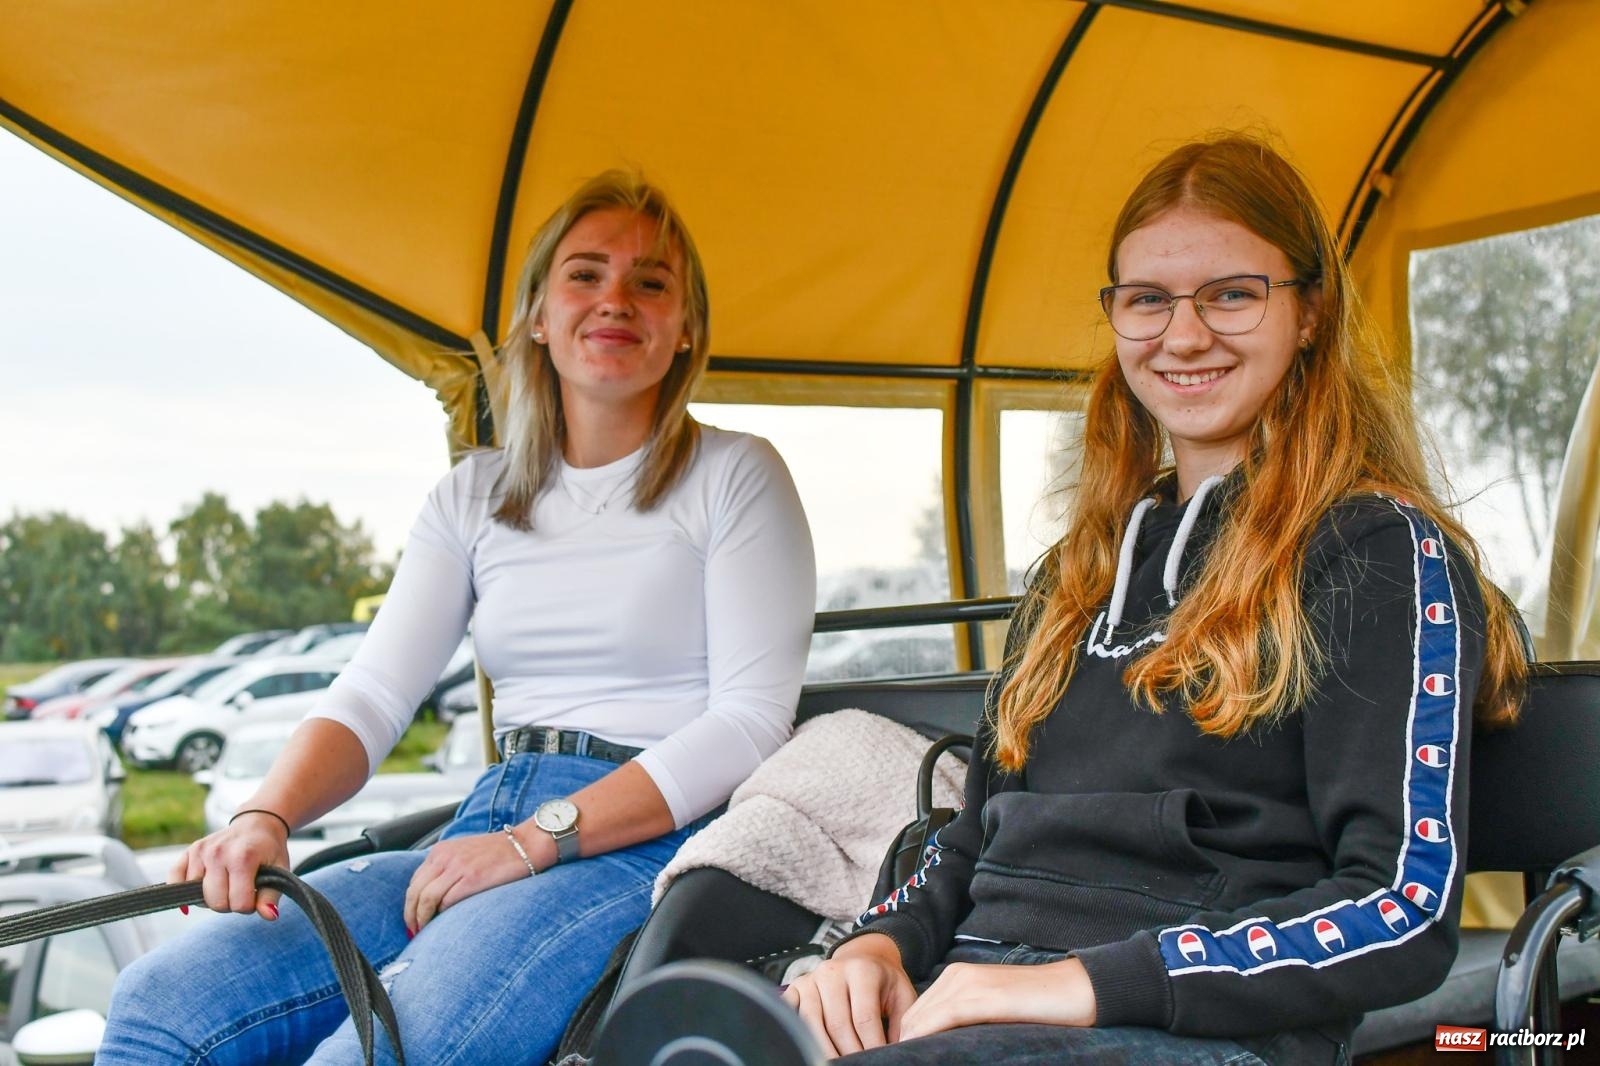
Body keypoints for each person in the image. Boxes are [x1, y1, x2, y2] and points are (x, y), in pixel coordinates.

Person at [781, 134, 1528, 1065]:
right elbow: (972, 838)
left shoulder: (1374, 552)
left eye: (1232, 294)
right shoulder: (1073, 576)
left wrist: (1081, 985)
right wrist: (877, 947)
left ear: (1309, 312)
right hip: (971, 988)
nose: (1184, 335)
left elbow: (1400, 907)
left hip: (1195, 1026)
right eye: (1148, 300)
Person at [99, 171, 817, 1065]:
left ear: (687, 329)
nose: (616, 300)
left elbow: (749, 722)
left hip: (646, 841)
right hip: (489, 817)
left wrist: (535, 842)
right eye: (585, 275)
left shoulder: (737, 474)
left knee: (368, 1056)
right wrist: (265, 815)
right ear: (538, 317)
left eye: (651, 282)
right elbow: (374, 693)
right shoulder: (472, 494)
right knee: (161, 1002)